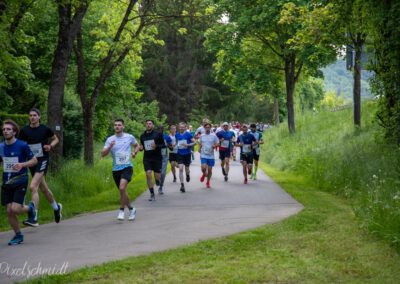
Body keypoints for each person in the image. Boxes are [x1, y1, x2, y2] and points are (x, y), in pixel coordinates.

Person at [18, 108, 62, 227]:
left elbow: (56, 139)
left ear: (39, 117)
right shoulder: (24, 131)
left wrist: (50, 146)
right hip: (32, 161)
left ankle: (34, 217)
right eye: (30, 115)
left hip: (43, 160)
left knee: (33, 187)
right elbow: (20, 145)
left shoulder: (45, 129)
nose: (32, 117)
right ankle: (56, 207)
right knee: (43, 188)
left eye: (34, 115)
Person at [1, 119, 38, 245]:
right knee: (9, 211)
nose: (5, 131)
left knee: (16, 209)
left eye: (8, 129)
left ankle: (30, 208)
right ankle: (18, 235)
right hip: (6, 182)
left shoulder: (22, 145)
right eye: (4, 129)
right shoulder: (1, 146)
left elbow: (34, 161)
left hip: (20, 180)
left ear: (14, 132)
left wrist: (22, 164)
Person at [101, 119, 139, 220]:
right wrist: (110, 146)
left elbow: (137, 146)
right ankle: (131, 209)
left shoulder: (129, 137)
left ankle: (121, 211)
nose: (117, 127)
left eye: (119, 125)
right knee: (122, 191)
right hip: (116, 169)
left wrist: (135, 153)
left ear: (123, 127)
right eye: (115, 125)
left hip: (127, 167)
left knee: (122, 188)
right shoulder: (110, 139)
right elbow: (103, 154)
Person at [139, 119, 165, 201]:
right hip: (147, 158)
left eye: (150, 124)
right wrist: (141, 148)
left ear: (153, 125)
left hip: (157, 158)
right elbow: (141, 146)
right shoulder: (142, 136)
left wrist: (156, 146)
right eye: (147, 124)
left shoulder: (158, 134)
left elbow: (163, 145)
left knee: (157, 176)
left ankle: (157, 180)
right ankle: (152, 194)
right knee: (148, 174)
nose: (148, 125)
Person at [198, 123, 219, 188]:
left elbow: (218, 143)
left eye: (208, 127)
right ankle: (204, 174)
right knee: (203, 168)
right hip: (203, 154)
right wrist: (199, 148)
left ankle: (208, 182)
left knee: (210, 169)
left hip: (211, 155)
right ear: (204, 128)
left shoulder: (214, 136)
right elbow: (200, 142)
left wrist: (214, 145)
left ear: (210, 128)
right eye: (206, 127)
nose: (207, 128)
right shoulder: (202, 135)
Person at [175, 122, 195, 193]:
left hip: (187, 154)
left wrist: (188, 144)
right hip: (180, 153)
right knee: (180, 169)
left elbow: (194, 142)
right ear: (179, 128)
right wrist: (173, 145)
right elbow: (176, 142)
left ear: (185, 127)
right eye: (180, 127)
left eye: (183, 127)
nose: (181, 128)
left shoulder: (188, 134)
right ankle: (182, 185)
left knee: (187, 168)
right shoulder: (177, 134)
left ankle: (187, 174)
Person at [157, 125, 172, 195]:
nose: (160, 130)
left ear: (163, 130)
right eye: (159, 129)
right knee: (156, 172)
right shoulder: (154, 136)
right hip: (156, 156)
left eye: (161, 129)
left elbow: (170, 146)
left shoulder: (166, 136)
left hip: (164, 156)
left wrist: (169, 146)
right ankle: (157, 179)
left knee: (163, 173)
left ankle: (161, 187)